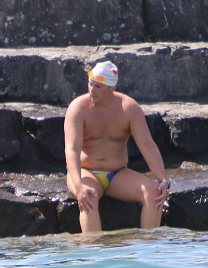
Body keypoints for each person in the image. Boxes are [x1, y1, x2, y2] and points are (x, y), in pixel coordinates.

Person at [64, 61, 170, 232]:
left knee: (154, 193)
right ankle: (93, 251)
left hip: (117, 174)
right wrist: (78, 184)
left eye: (98, 87)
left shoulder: (129, 108)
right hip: (86, 171)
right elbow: (72, 149)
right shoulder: (78, 108)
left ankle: (150, 250)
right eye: (91, 84)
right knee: (88, 196)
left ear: (112, 89)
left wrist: (163, 180)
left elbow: (147, 146)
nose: (92, 90)